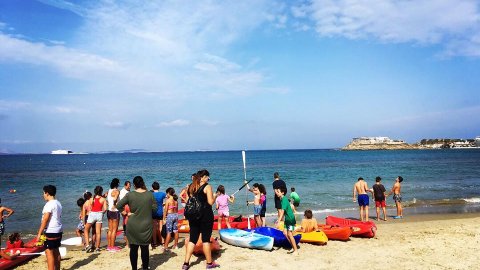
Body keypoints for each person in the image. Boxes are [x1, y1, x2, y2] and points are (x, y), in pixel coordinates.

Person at [116, 176, 157, 270]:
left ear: (134, 185)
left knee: (133, 249)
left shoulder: (130, 195)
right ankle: (145, 268)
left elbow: (118, 205)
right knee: (145, 248)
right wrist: (146, 209)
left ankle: (134, 269)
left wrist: (125, 213)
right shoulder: (149, 194)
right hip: (146, 224)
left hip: (133, 224)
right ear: (143, 183)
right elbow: (155, 209)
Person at [182, 170, 219, 270]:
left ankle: (185, 263)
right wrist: (215, 196)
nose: (208, 179)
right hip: (205, 216)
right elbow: (210, 202)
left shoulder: (192, 186)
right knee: (206, 240)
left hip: (193, 216)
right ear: (203, 177)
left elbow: (190, 200)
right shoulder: (207, 186)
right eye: (207, 177)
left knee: (192, 239)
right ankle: (209, 263)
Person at [36, 185, 63, 270]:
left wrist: (39, 233)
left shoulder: (49, 204)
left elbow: (45, 219)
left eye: (43, 193)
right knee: (56, 251)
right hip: (58, 229)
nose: (43, 195)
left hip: (50, 230)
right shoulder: (58, 203)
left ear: (47, 193)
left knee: (49, 252)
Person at [275, 186, 298, 255]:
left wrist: (278, 220)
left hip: (290, 219)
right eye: (276, 192)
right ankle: (293, 247)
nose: (277, 193)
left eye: (278, 192)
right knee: (285, 233)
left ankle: (296, 250)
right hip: (287, 219)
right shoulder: (282, 199)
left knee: (289, 234)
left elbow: (282, 211)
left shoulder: (284, 199)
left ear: (282, 193)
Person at [83, 186, 107, 253]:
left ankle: (87, 245)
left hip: (92, 214)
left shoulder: (91, 199)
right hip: (99, 214)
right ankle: (97, 248)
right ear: (101, 191)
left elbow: (90, 207)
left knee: (86, 229)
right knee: (98, 232)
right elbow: (105, 209)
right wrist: (102, 213)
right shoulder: (103, 199)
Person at [107, 178, 121, 252]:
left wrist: (109, 204)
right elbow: (115, 198)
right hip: (115, 211)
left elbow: (105, 196)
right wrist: (114, 204)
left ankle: (109, 246)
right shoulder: (117, 191)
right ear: (117, 184)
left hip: (109, 211)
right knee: (114, 230)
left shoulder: (109, 191)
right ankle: (112, 247)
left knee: (110, 229)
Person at [151, 181, 166, 249]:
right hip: (160, 212)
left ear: (152, 187)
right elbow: (169, 197)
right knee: (160, 227)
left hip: (153, 212)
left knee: (154, 228)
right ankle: (162, 241)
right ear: (159, 187)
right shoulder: (162, 194)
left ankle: (154, 242)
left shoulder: (151, 194)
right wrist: (165, 204)